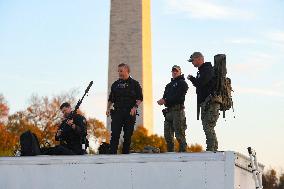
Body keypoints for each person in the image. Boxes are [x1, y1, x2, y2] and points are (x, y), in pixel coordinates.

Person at [106, 63, 143, 154]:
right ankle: (112, 155)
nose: (119, 73)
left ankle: (125, 155)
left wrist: (135, 107)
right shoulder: (115, 84)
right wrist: (107, 108)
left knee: (127, 135)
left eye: (121, 71)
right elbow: (111, 99)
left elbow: (139, 99)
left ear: (127, 71)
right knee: (114, 134)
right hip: (117, 112)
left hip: (129, 112)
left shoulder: (135, 84)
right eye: (118, 71)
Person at [187, 52, 220, 151]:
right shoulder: (201, 70)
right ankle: (213, 150)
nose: (192, 63)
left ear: (198, 59)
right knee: (208, 127)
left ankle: (212, 150)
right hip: (206, 103)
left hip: (210, 103)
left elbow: (201, 83)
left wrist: (192, 79)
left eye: (192, 60)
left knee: (208, 126)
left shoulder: (207, 69)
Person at [157, 65, 188, 152]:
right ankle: (170, 153)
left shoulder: (182, 83)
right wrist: (163, 101)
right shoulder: (168, 85)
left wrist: (165, 101)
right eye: (173, 71)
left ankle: (183, 153)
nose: (174, 72)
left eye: (176, 71)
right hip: (169, 112)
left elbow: (179, 98)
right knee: (167, 135)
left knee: (179, 134)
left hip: (178, 111)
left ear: (180, 72)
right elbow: (165, 97)